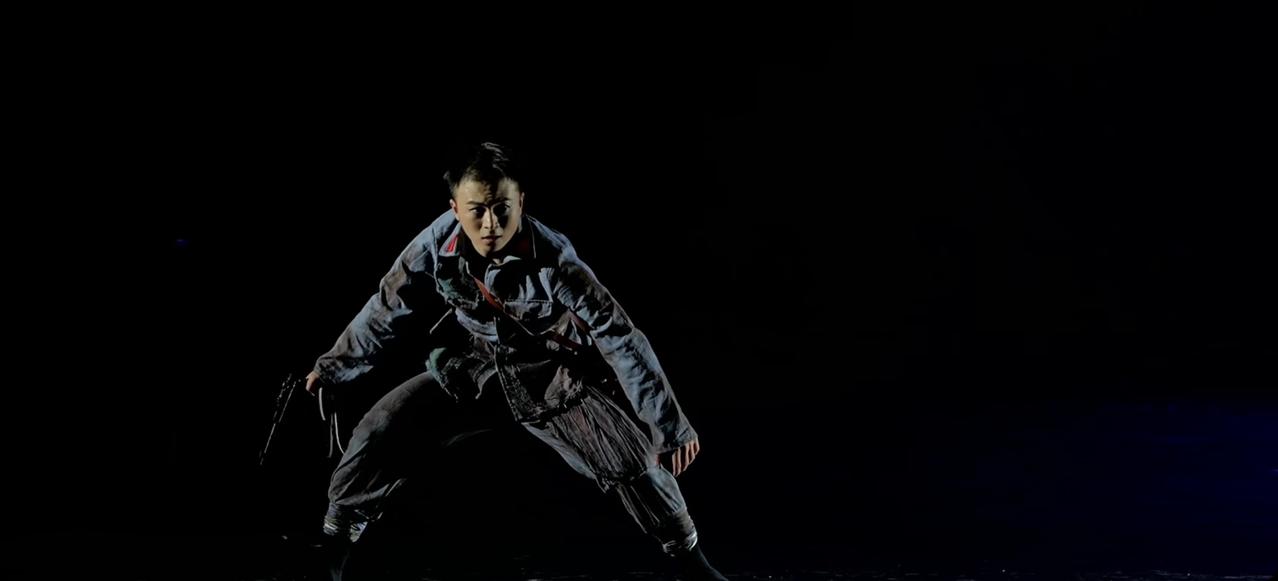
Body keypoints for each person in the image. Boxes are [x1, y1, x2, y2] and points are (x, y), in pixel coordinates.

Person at [302, 142, 729, 580]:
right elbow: (389, 303)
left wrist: (668, 424)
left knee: (632, 460)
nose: (490, 224)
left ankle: (696, 567)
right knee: (381, 427)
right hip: (474, 367)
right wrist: (334, 367)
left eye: (502, 209)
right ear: (455, 208)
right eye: (477, 211)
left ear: (520, 203)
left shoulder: (554, 259)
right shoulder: (437, 241)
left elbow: (617, 333)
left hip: (549, 375)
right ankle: (333, 554)